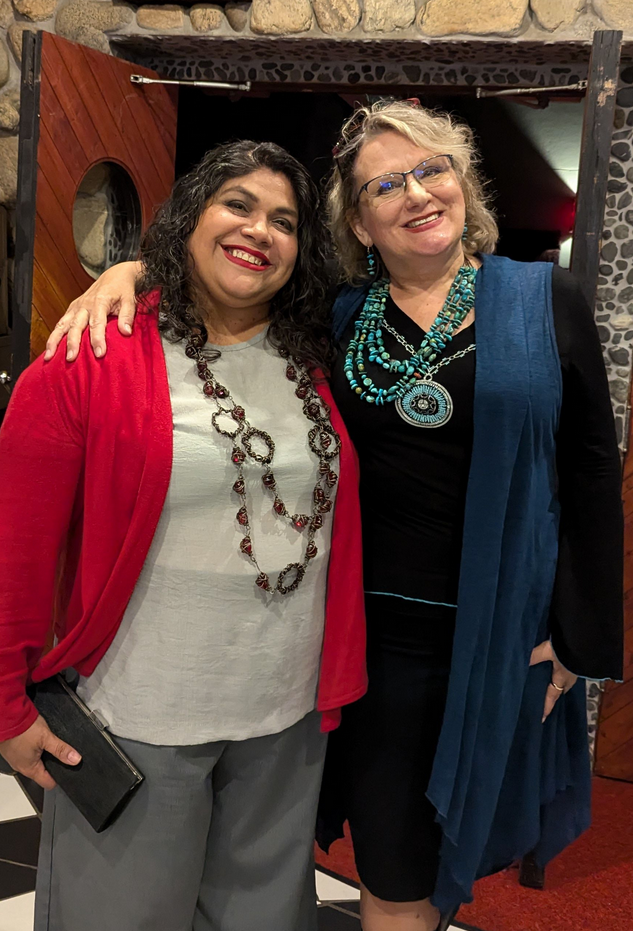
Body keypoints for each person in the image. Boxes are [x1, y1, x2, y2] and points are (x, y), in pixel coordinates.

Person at [43, 100, 624, 931]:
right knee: (386, 865)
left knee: (444, 859)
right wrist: (130, 271)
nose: (417, 193)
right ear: (357, 219)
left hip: (492, 635)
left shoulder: (544, 299)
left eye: (432, 169)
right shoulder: (336, 314)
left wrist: (580, 637)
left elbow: (592, 472)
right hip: (360, 643)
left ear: (462, 182)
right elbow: (224, 282)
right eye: (387, 184)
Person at [0, 140, 367, 931]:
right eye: (237, 203)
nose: (259, 230)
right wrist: (5, 705)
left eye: (284, 219)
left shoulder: (309, 358)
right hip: (137, 719)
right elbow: (12, 548)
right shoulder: (88, 355)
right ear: (188, 215)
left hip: (284, 719)